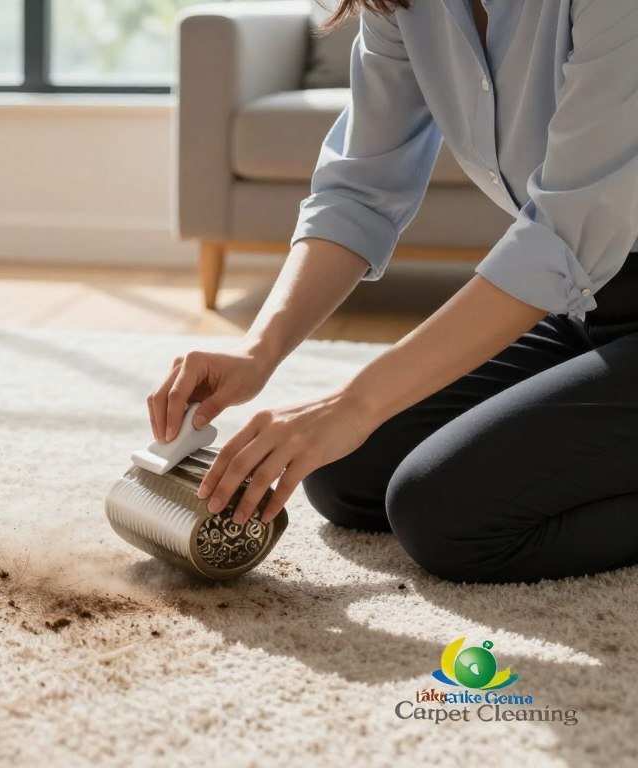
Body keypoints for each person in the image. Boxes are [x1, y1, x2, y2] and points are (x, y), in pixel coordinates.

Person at [150, 0, 638, 584]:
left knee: (447, 512)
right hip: (593, 302)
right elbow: (361, 190)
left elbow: (567, 232)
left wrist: (353, 402)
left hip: (587, 266)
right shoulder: (408, 4)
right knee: (345, 473)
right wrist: (259, 349)